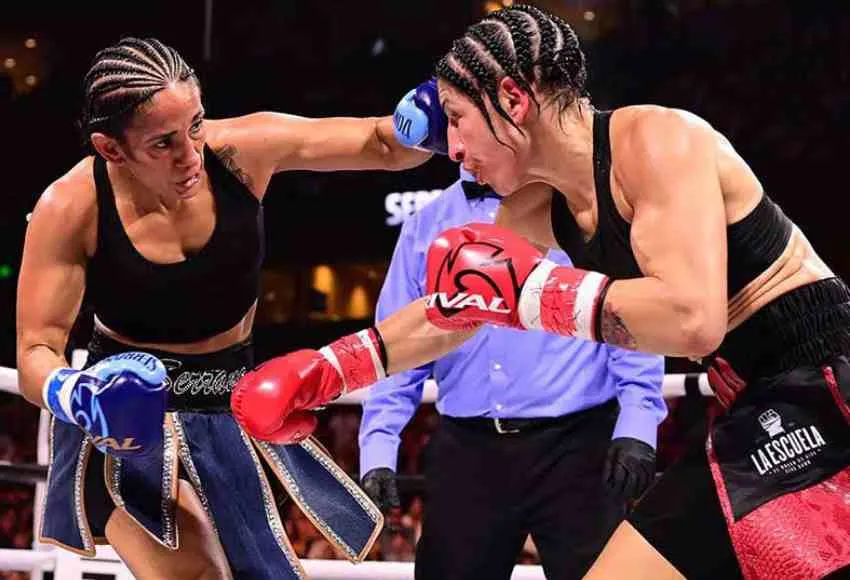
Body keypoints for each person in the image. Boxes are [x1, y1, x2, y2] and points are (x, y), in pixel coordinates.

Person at [231, 4, 850, 579]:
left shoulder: (659, 141)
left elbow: (692, 320)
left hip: (823, 388)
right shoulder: (539, 208)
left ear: (512, 98)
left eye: (458, 119)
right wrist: (327, 371)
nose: (451, 148)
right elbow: (460, 304)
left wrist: (534, 294)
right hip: (757, 404)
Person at [15, 36, 447, 579]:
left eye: (196, 125)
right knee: (197, 575)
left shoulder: (241, 152)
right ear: (110, 149)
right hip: (128, 423)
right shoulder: (71, 206)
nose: (190, 154)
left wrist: (430, 117)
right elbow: (35, 351)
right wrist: (76, 393)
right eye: (163, 143)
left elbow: (379, 143)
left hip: (231, 406)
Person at [358, 167, 666, 580]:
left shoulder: (579, 208)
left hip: (576, 448)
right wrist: (378, 449)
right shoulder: (426, 224)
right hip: (469, 452)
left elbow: (626, 317)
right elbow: (396, 346)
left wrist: (637, 424)